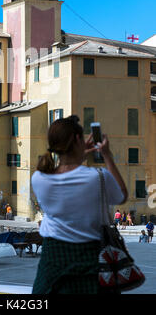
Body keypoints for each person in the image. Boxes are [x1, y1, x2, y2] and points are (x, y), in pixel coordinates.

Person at [31, 115, 128, 294]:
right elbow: (121, 196)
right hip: (91, 260)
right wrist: (106, 155)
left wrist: (78, 152)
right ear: (77, 139)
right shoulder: (98, 177)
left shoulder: (39, 178)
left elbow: (67, 171)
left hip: (53, 260)